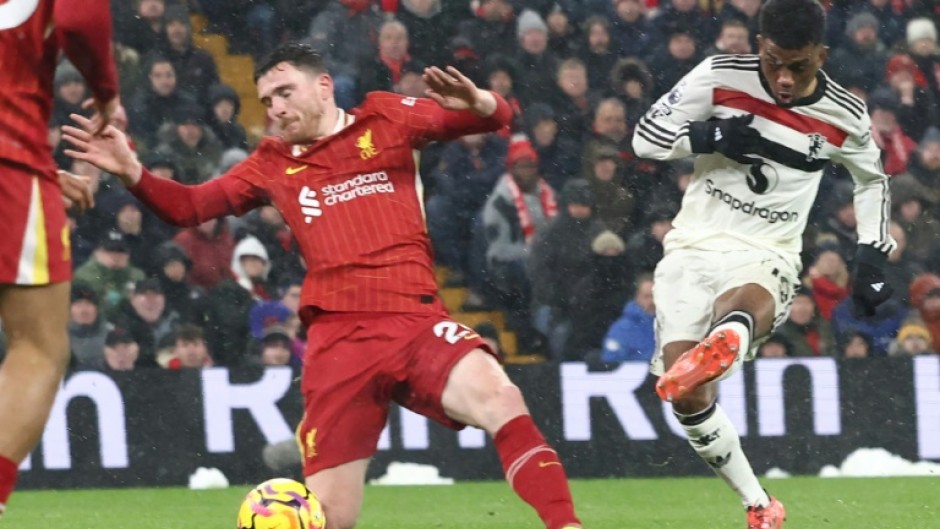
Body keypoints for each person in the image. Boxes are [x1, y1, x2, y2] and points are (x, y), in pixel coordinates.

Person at [64, 43, 583, 529]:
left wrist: (481, 99)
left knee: (501, 397)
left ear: (324, 86)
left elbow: (496, 119)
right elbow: (190, 207)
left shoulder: (387, 117)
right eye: (267, 100)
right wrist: (131, 170)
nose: (276, 108)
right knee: (331, 516)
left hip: (414, 318)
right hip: (338, 345)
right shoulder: (271, 163)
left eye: (285, 92)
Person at [631, 0, 896, 527]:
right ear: (758, 44)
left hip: (767, 248)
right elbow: (646, 138)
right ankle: (760, 504)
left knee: (746, 299)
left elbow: (872, 181)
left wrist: (872, 251)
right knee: (686, 394)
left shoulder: (844, 114)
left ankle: (732, 331)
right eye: (774, 61)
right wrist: (706, 137)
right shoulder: (717, 75)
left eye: (799, 66)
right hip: (692, 245)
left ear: (821, 55)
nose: (783, 78)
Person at [0, 0, 119, 517]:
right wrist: (106, 93)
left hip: (26, 167)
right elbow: (79, 20)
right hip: (8, 160)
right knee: (40, 349)